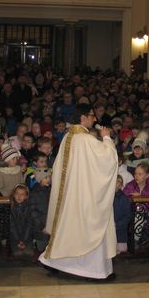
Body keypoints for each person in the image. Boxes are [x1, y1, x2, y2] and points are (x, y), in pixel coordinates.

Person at [38, 104, 118, 280]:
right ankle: (94, 271)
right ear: (82, 118)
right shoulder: (86, 140)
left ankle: (53, 261)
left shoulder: (68, 137)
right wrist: (107, 139)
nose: (95, 119)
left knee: (69, 230)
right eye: (92, 115)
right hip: (85, 196)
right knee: (87, 231)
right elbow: (107, 161)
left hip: (69, 196)